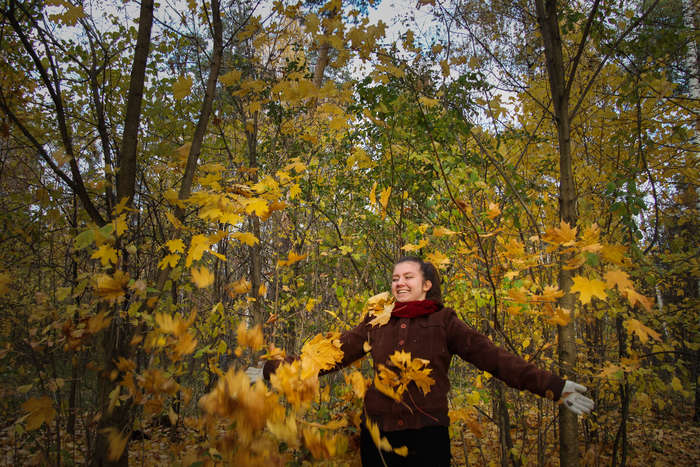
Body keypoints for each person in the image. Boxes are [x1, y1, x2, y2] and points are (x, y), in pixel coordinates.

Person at [263, 256, 594, 466]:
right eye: (395, 278)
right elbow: (331, 354)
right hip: (378, 436)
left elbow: (496, 359)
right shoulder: (376, 322)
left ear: (426, 284)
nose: (399, 283)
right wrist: (274, 370)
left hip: (428, 436)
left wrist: (555, 387)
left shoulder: (444, 321)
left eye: (408, 277)